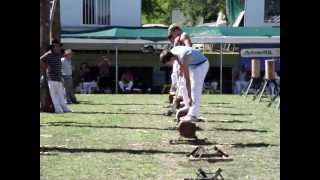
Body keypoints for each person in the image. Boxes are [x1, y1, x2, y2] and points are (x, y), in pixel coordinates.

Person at [160, 46, 209, 122]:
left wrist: (189, 96)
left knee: (195, 88)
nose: (169, 65)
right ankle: (187, 107)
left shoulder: (183, 59)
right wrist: (180, 68)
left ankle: (193, 115)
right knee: (182, 85)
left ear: (170, 59)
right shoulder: (173, 51)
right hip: (191, 64)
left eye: (168, 63)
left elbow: (188, 81)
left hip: (201, 64)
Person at [40, 39, 72, 113]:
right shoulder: (49, 54)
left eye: (58, 46)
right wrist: (45, 67)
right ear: (53, 47)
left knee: (61, 94)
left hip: (59, 77)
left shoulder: (59, 54)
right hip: (51, 77)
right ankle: (58, 109)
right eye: (56, 46)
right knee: (54, 95)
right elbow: (40, 59)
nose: (58, 48)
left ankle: (64, 108)